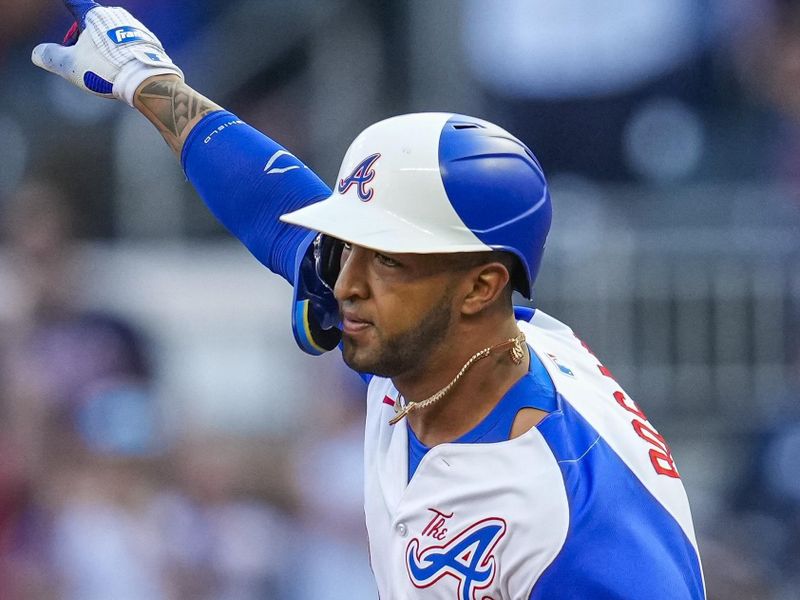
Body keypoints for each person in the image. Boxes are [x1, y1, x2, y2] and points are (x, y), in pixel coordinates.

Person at [31, 2, 706, 598]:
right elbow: (274, 202)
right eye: (347, 244)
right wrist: (153, 85)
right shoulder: (433, 334)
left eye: (385, 256)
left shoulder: (576, 524)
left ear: (480, 287)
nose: (345, 281)